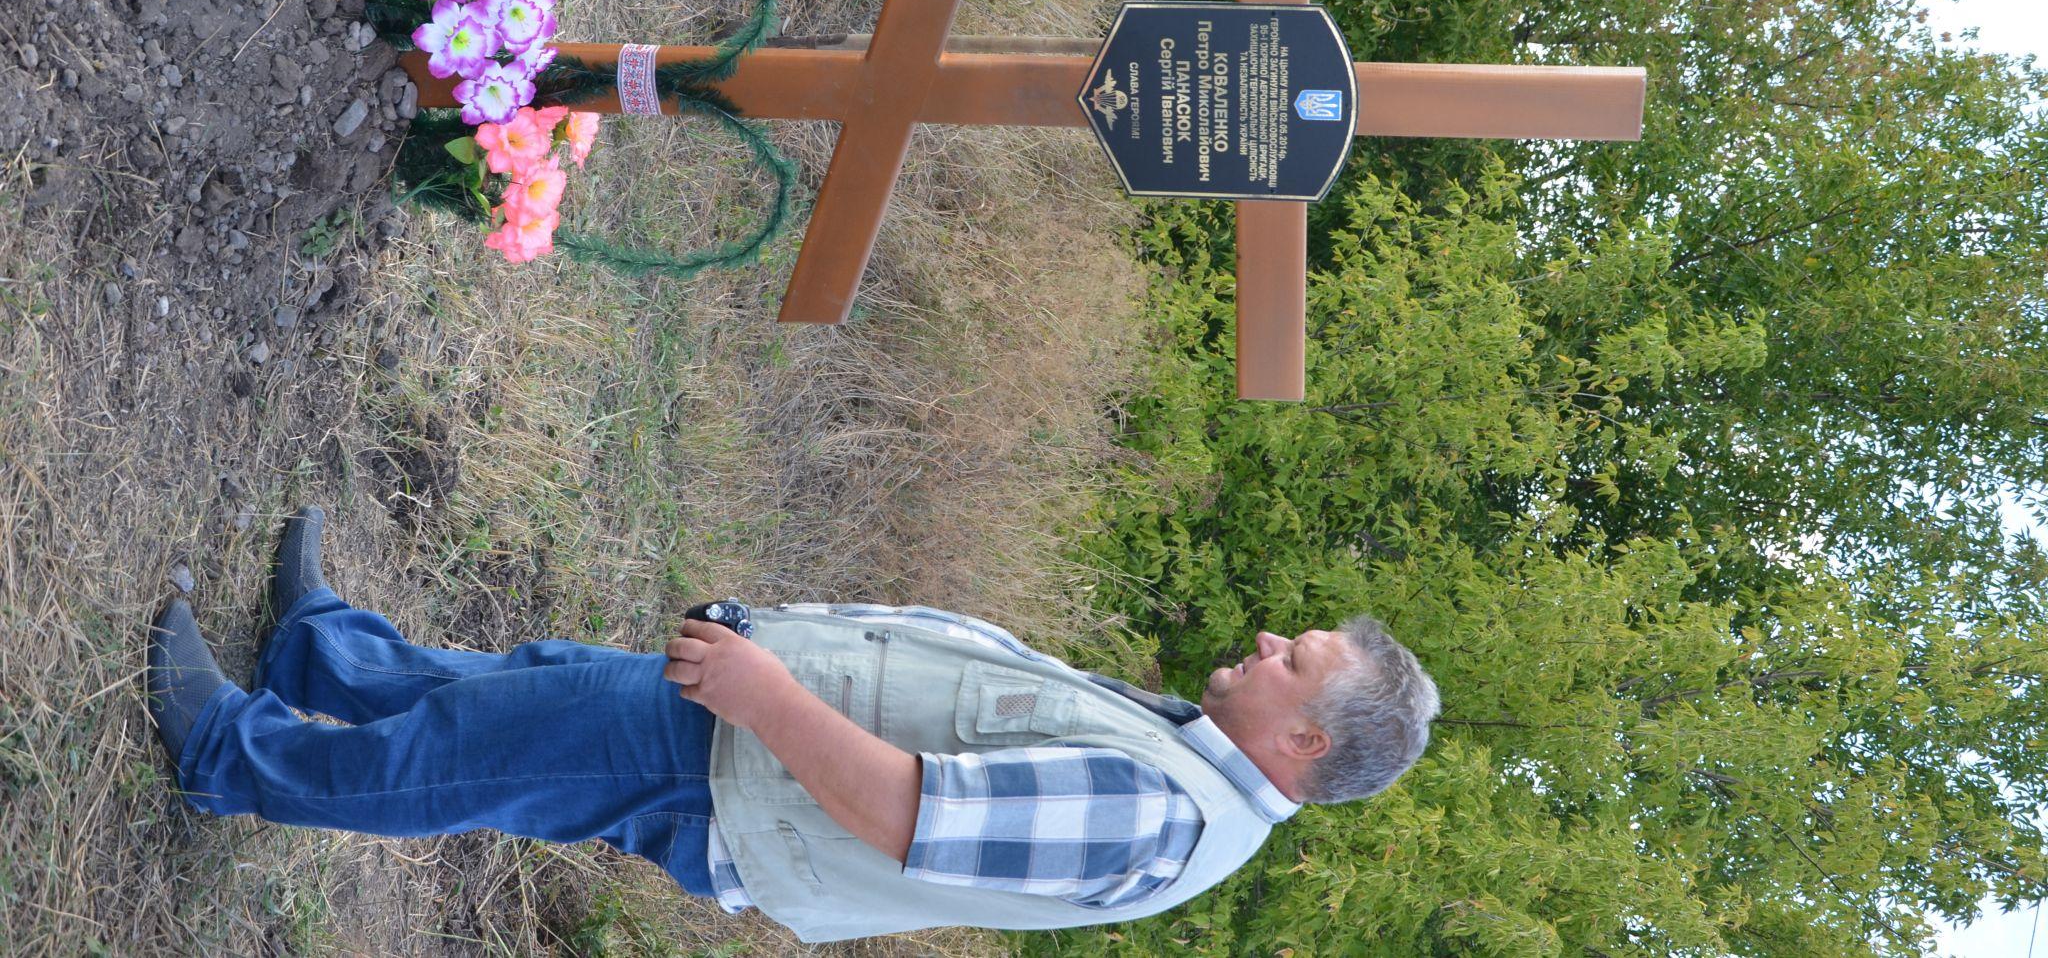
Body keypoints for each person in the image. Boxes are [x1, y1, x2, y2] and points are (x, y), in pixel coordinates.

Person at [146, 507, 1440, 942]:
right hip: (739, 740)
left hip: (733, 772)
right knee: (515, 687)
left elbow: (914, 817)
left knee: (479, 753)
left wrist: (764, 694)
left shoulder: (1163, 812)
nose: (1271, 644)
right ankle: (322, 650)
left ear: (1308, 741)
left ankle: (226, 758)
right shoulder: (1187, 766)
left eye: (1299, 658)